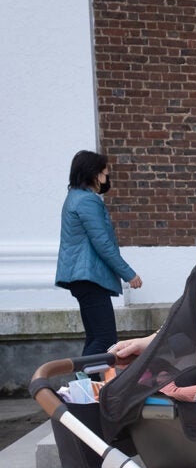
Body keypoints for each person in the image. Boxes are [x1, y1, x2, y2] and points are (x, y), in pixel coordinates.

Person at [55, 150, 142, 356]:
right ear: (93, 174)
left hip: (82, 278)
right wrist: (129, 274)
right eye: (104, 173)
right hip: (89, 278)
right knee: (105, 339)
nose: (106, 177)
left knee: (95, 337)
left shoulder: (74, 198)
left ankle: (83, 386)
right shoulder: (87, 201)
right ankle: (81, 383)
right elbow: (102, 242)